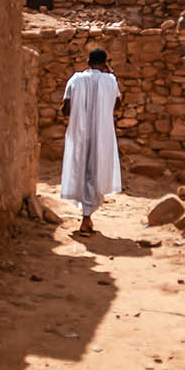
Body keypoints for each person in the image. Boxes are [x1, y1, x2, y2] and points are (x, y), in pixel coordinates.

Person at [59, 48, 122, 235]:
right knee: (96, 170)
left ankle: (86, 217)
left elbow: (66, 109)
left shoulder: (76, 79)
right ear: (104, 63)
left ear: (87, 61)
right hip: (101, 134)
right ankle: (87, 218)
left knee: (80, 169)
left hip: (80, 133)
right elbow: (118, 104)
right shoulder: (110, 80)